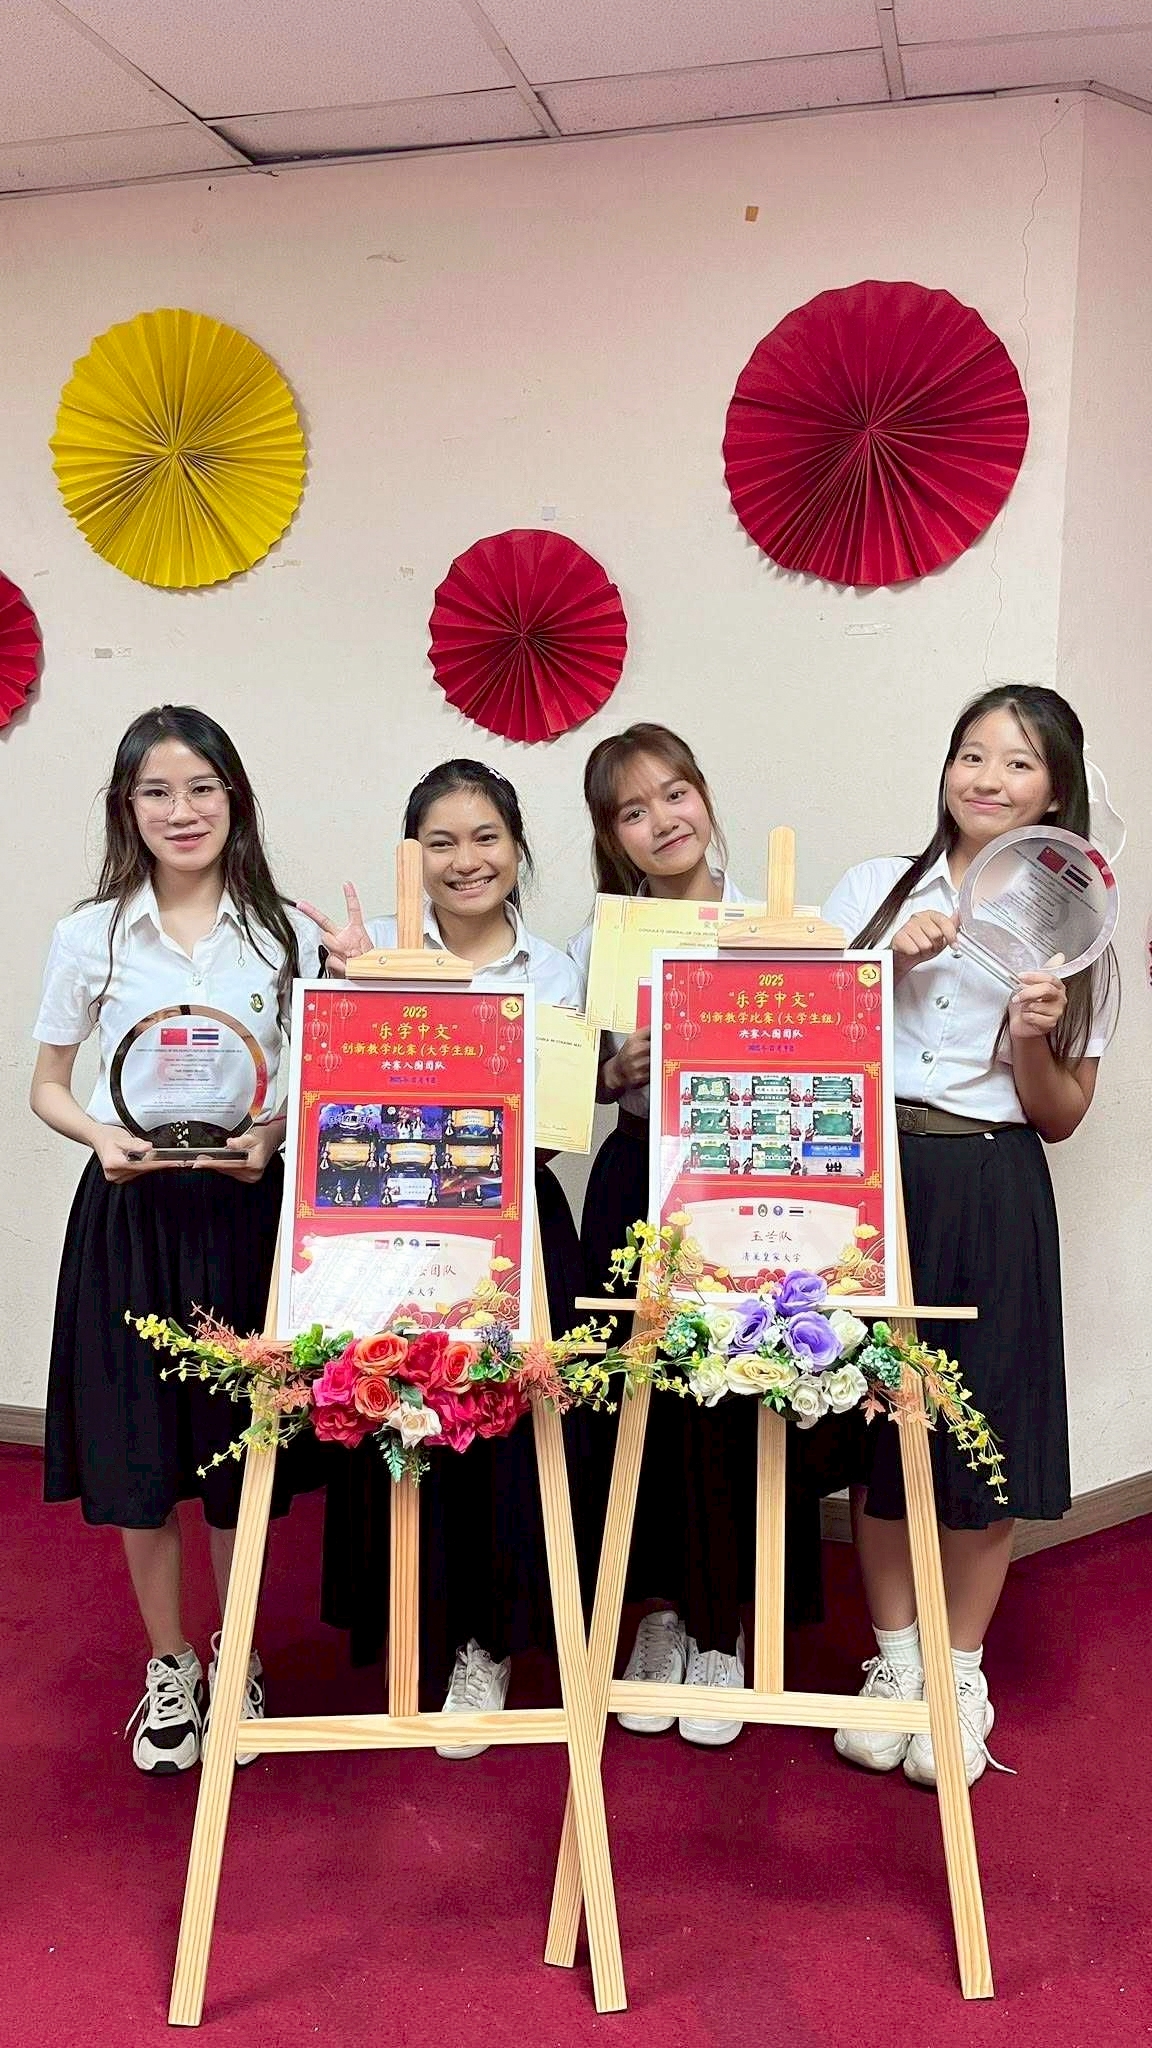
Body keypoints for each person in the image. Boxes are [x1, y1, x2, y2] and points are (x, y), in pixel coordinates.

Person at [823, 684, 1116, 1787]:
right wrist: (889, 961)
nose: (988, 778)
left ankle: (958, 1671)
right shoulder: (875, 888)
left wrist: (1033, 1035)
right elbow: (801, 1044)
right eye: (972, 754)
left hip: (994, 1181)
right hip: (876, 1178)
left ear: (1056, 790)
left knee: (981, 1431)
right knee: (882, 1426)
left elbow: (1060, 1114)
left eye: (1019, 762)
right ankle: (895, 1662)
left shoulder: (1080, 927)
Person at [31, 705, 321, 1774]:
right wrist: (100, 1135)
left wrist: (272, 1136)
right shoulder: (90, 934)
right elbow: (47, 1086)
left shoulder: (285, 931)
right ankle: (169, 1663)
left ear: (234, 797)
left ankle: (237, 1651)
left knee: (240, 1447)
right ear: (128, 807)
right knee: (138, 1449)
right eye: (157, 791)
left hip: (244, 1210)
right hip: (131, 1215)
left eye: (202, 787)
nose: (182, 809)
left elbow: (316, 1078)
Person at [302, 759, 587, 1754]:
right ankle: (407, 1625)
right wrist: (346, 986)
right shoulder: (374, 952)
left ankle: (484, 1646)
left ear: (518, 847)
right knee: (395, 1420)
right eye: (441, 841)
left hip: (512, 1234)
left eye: (486, 837)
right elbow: (334, 1102)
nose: (466, 860)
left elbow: (553, 1125)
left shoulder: (553, 970)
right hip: (388, 1236)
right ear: (412, 855)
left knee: (495, 1441)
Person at [569, 722, 836, 1746]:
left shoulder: (778, 925)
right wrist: (614, 1073)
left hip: (747, 1184)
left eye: (673, 793)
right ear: (613, 836)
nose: (661, 821)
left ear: (705, 795)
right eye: (632, 811)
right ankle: (662, 1614)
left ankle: (729, 1624)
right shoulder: (606, 939)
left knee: (739, 1392)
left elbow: (823, 1061)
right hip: (638, 1176)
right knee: (643, 1397)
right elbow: (577, 1088)